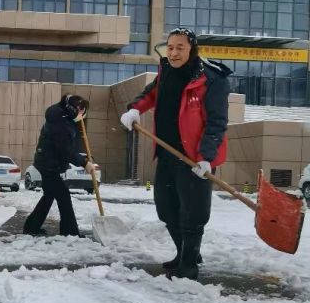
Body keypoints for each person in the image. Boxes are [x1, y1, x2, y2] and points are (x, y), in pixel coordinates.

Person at [120, 27, 231, 281]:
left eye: (180, 47)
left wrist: (206, 156)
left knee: (193, 213)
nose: (173, 52)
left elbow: (216, 122)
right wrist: (135, 109)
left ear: (192, 49)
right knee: (166, 208)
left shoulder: (212, 78)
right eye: (170, 47)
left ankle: (189, 264)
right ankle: (185, 252)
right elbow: (150, 94)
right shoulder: (166, 72)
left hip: (194, 159)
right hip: (167, 154)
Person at [23, 95, 95, 237]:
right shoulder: (60, 123)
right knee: (63, 196)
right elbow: (65, 150)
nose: (82, 115)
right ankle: (70, 232)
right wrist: (84, 163)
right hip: (48, 165)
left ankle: (31, 227)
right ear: (72, 109)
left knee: (49, 195)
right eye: (81, 111)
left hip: (48, 162)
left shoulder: (63, 118)